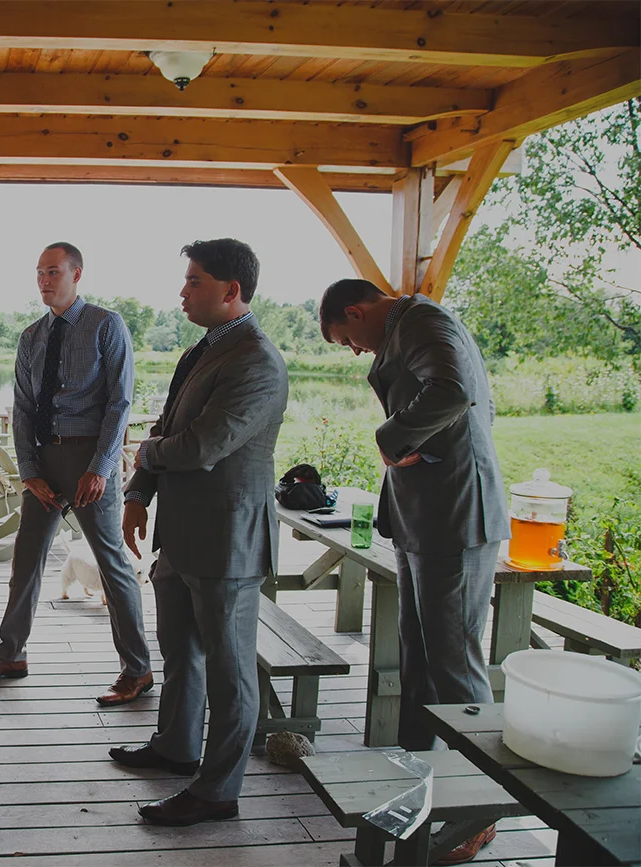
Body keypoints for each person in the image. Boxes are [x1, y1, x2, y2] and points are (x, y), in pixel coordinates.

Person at [318, 278, 508, 864]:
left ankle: (479, 810)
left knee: (455, 665)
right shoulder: (407, 328)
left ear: (357, 311)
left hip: (454, 518)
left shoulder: (424, 322)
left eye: (348, 339)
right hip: (421, 518)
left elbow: (455, 390)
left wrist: (391, 436)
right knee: (419, 660)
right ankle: (415, 781)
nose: (356, 351)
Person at [111, 238, 288, 826]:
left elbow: (202, 446)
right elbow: (168, 427)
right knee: (180, 651)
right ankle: (177, 747)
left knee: (230, 674)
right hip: (180, 535)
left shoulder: (257, 360)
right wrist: (137, 493)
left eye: (194, 281)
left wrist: (147, 453)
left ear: (230, 290)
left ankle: (217, 792)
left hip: (227, 540)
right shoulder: (203, 351)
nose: (182, 292)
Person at [0, 243, 153, 706]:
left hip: (90, 462)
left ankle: (137, 670)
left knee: (111, 563)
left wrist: (100, 467)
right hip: (44, 461)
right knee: (26, 558)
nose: (44, 280)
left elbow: (120, 403)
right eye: (39, 273)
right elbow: (23, 407)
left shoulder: (106, 325)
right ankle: (10, 654)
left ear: (76, 274)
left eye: (53, 272)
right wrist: (29, 471)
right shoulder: (31, 336)